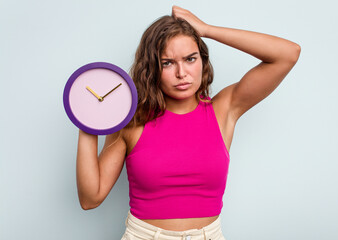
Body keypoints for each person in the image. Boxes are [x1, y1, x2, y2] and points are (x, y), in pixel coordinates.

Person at [76, 6, 301, 240]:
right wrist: (86, 122)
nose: (182, 73)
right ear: (152, 68)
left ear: (202, 61)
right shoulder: (132, 122)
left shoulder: (223, 110)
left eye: (190, 59)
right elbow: (90, 199)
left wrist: (207, 30)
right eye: (167, 63)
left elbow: (288, 54)